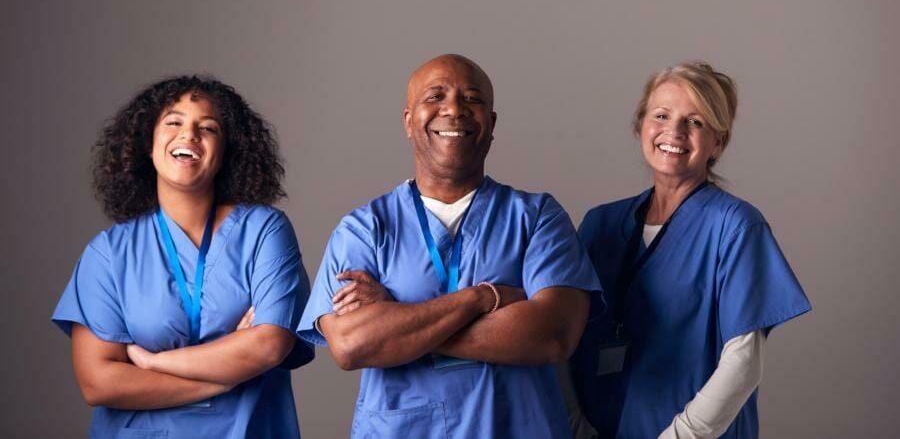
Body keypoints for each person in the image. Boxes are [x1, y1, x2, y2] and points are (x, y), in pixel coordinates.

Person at [297, 54, 603, 438]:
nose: (454, 109)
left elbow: (553, 334)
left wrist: (396, 323)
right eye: (435, 96)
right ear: (409, 122)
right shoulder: (364, 229)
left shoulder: (537, 217)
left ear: (491, 125)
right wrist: (481, 299)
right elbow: (352, 345)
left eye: (472, 98)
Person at [52, 76, 314, 438]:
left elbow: (269, 345)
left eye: (207, 128)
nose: (189, 135)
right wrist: (224, 379)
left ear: (226, 152)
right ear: (148, 143)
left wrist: (152, 362)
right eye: (173, 122)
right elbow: (99, 383)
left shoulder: (263, 231)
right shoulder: (109, 253)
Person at [566, 62, 811, 438]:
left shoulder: (736, 226)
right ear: (640, 126)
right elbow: (561, 335)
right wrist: (577, 425)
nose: (674, 131)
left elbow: (743, 363)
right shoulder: (599, 225)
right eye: (661, 115)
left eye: (696, 122)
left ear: (718, 141)